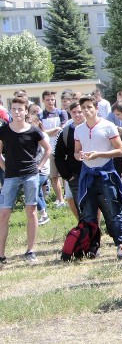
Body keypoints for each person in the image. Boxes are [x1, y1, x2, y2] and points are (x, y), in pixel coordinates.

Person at [74, 95, 122, 259]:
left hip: (105, 173)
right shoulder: (79, 129)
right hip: (88, 173)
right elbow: (76, 152)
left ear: (96, 108)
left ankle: (121, 244)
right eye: (84, 108)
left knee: (113, 209)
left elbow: (120, 150)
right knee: (88, 212)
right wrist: (80, 155)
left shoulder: (108, 126)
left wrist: (99, 154)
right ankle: (92, 245)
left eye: (90, 107)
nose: (87, 110)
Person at [0, 97, 50, 264]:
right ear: (10, 110)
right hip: (11, 176)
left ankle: (30, 250)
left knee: (31, 211)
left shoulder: (33, 130)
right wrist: (5, 167)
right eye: (14, 109)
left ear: (26, 111)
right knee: (4, 214)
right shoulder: (4, 131)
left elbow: (47, 148)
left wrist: (40, 166)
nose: (17, 112)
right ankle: (1, 254)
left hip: (30, 175)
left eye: (20, 109)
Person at [54, 100, 85, 219]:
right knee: (80, 206)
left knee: (95, 204)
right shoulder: (66, 132)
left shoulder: (93, 128)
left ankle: (95, 229)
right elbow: (58, 156)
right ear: (70, 113)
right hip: (75, 174)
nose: (77, 115)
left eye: (80, 112)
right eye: (74, 112)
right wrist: (67, 176)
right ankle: (84, 230)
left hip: (93, 172)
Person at [40, 90, 68, 207]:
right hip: (49, 149)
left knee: (65, 174)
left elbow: (63, 129)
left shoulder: (62, 113)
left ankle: (68, 195)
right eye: (47, 100)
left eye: (52, 99)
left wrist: (49, 131)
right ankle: (60, 199)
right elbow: (41, 133)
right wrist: (52, 131)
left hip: (62, 147)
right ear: (43, 101)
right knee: (53, 176)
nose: (50, 102)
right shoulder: (40, 115)